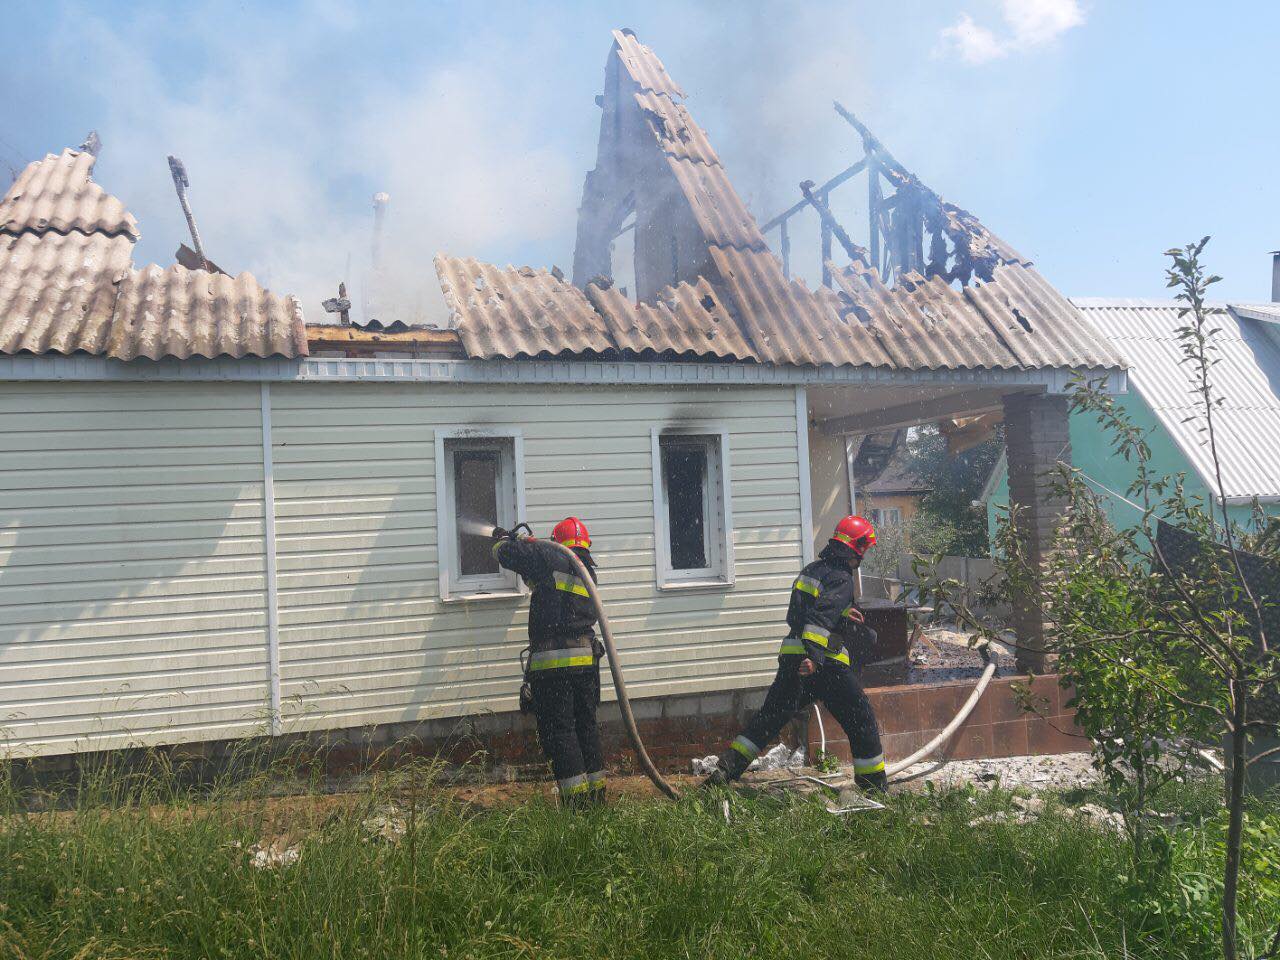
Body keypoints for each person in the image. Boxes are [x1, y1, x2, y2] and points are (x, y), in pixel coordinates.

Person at [704, 515, 888, 792]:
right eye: (864, 549)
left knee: (768, 719)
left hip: (792, 659)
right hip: (825, 665)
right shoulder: (842, 578)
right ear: (857, 548)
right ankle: (873, 788)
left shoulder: (813, 570)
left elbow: (799, 614)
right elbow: (817, 621)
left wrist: (841, 613)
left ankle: (723, 774)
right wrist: (814, 658)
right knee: (861, 719)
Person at [492, 517, 606, 807]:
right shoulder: (587, 570)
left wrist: (505, 540)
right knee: (586, 728)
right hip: (586, 666)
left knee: (561, 733)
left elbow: (505, 555)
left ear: (557, 541)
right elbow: (551, 592)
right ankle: (596, 800)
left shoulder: (549, 556)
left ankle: (577, 810)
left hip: (554, 669)